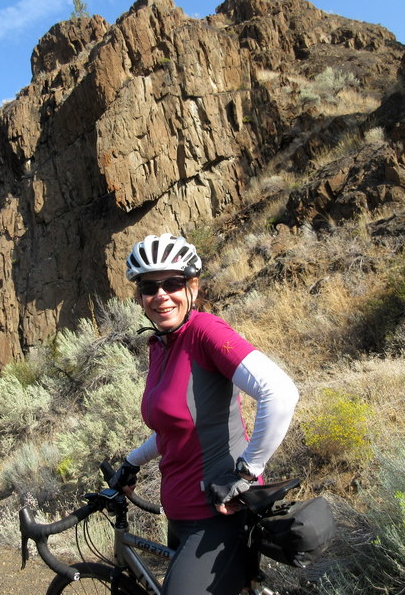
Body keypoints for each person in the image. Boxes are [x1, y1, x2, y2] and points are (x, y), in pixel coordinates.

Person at [110, 233, 299, 595]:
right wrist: (132, 462)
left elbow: (280, 392)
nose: (161, 295)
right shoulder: (161, 345)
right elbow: (175, 429)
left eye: (172, 283)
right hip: (181, 514)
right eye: (149, 287)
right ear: (139, 297)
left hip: (217, 516)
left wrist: (246, 472)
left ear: (192, 287)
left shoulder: (204, 332)